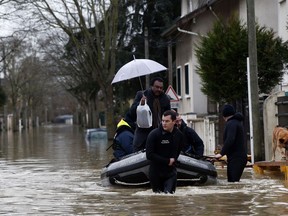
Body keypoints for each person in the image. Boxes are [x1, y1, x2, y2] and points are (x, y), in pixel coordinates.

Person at [126, 77, 171, 152]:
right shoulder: (142, 95)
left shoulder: (165, 98)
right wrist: (140, 104)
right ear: (151, 86)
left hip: (159, 135)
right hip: (142, 137)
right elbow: (131, 114)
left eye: (161, 88)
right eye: (157, 87)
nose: (159, 89)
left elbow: (168, 116)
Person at [146, 110, 184, 194]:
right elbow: (149, 155)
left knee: (169, 197)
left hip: (170, 173)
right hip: (156, 172)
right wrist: (167, 161)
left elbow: (178, 150)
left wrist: (174, 159)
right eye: (163, 121)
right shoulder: (154, 134)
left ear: (174, 122)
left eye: (167, 121)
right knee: (158, 200)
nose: (164, 123)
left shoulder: (179, 135)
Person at [215, 104, 247, 182]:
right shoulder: (236, 122)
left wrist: (221, 153)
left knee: (233, 182)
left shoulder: (231, 123)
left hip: (237, 158)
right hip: (237, 158)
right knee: (232, 183)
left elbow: (230, 139)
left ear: (224, 115)